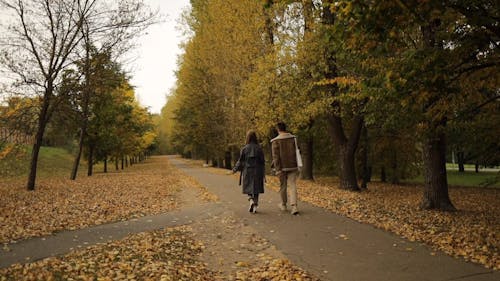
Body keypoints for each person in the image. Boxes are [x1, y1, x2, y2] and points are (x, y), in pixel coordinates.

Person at [228, 130, 265, 213]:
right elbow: (262, 161)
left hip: (247, 170)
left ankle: (251, 200)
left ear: (247, 138)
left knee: (248, 187)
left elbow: (240, 161)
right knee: (256, 188)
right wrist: (263, 172)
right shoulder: (259, 148)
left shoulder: (244, 149)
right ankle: (255, 205)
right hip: (257, 171)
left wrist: (234, 170)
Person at [271, 122, 300, 215]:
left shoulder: (275, 141)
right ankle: (294, 206)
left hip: (282, 167)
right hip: (293, 165)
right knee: (292, 185)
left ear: (278, 129)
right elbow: (297, 151)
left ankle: (283, 205)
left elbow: (276, 157)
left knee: (283, 186)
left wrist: (277, 169)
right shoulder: (293, 138)